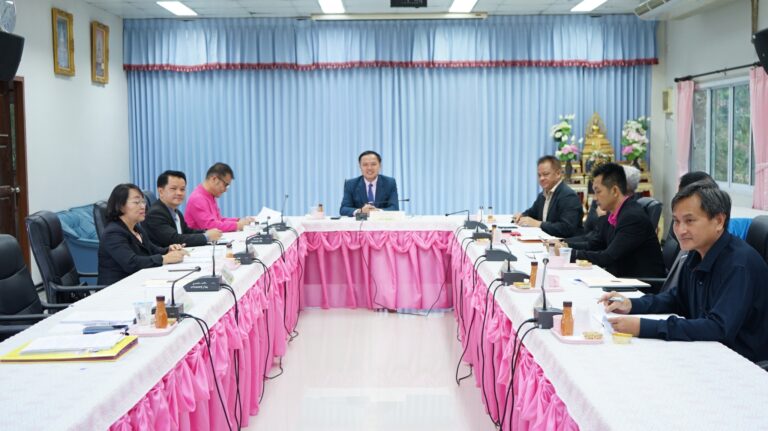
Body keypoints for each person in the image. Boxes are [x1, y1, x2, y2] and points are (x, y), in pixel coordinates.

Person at [600, 182, 768, 363]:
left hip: (740, 362)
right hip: (705, 349)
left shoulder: (738, 265)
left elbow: (718, 328)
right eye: (676, 221)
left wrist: (643, 327)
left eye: (689, 221)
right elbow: (677, 299)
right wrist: (631, 305)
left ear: (719, 221)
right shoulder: (696, 253)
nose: (680, 230)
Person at [569, 163, 665, 277]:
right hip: (620, 278)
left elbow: (608, 257)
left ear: (615, 190)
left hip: (639, 284)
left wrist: (570, 254)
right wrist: (564, 246)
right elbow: (595, 244)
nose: (595, 198)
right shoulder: (615, 213)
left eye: (598, 191)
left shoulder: (632, 217)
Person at [98, 183, 186, 285]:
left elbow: (152, 249)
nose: (143, 206)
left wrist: (168, 250)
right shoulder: (113, 233)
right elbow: (131, 263)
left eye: (143, 202)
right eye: (136, 202)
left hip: (138, 281)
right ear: (121, 206)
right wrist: (164, 259)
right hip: (117, 288)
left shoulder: (136, 228)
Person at [568, 164, 641, 248]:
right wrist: (565, 245)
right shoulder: (608, 205)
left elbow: (607, 248)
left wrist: (603, 218)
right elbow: (591, 235)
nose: (595, 198)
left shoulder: (630, 215)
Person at [145, 170, 223, 247]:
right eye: (173, 189)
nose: (179, 193)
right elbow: (173, 239)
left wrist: (206, 232)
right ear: (161, 191)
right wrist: (206, 237)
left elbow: (186, 231)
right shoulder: (155, 214)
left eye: (182, 189)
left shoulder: (177, 212)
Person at [513, 155, 583, 237]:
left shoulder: (568, 196)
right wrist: (522, 215)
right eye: (539, 175)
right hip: (545, 240)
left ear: (558, 174)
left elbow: (566, 228)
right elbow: (532, 213)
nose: (541, 178)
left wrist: (539, 224)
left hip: (563, 243)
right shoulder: (543, 194)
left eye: (545, 174)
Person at [185, 162, 253, 232]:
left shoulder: (210, 196)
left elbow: (219, 220)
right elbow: (210, 226)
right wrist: (238, 225)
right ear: (214, 179)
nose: (226, 190)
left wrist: (239, 220)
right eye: (226, 185)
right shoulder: (197, 199)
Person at [340, 150, 399, 217]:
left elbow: (395, 208)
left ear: (380, 165)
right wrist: (360, 211)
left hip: (380, 220)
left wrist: (378, 212)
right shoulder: (350, 184)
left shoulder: (389, 183)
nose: (369, 168)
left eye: (373, 164)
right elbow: (343, 209)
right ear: (360, 166)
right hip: (361, 219)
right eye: (365, 165)